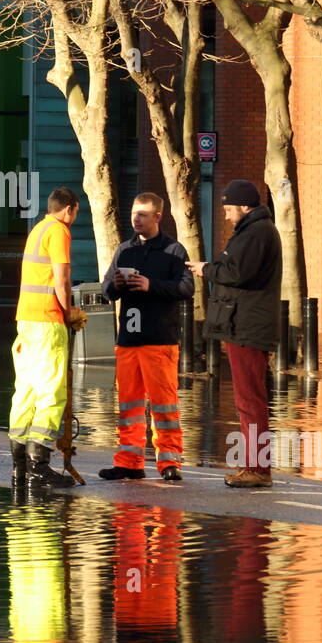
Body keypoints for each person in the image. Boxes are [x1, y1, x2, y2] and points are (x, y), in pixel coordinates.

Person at [186, 179, 282, 488]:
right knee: (248, 399)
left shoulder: (256, 232)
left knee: (250, 399)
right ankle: (253, 465)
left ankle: (257, 468)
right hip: (242, 323)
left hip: (247, 325)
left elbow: (238, 273)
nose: (226, 216)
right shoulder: (253, 230)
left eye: (229, 209)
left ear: (244, 206)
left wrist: (206, 269)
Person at [99, 192, 194, 482]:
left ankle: (169, 462)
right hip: (128, 340)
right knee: (129, 405)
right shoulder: (124, 250)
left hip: (160, 339)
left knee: (164, 403)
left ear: (157, 217)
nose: (136, 219)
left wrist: (151, 285)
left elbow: (186, 288)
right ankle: (129, 462)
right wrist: (115, 286)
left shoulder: (174, 250)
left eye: (142, 214)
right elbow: (105, 290)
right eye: (133, 213)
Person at [8, 187, 80, 492]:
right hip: (48, 322)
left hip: (25, 321)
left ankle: (20, 468)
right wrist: (70, 312)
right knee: (51, 392)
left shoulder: (37, 228)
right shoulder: (59, 231)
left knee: (26, 392)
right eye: (75, 212)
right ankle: (40, 468)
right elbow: (61, 280)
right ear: (69, 209)